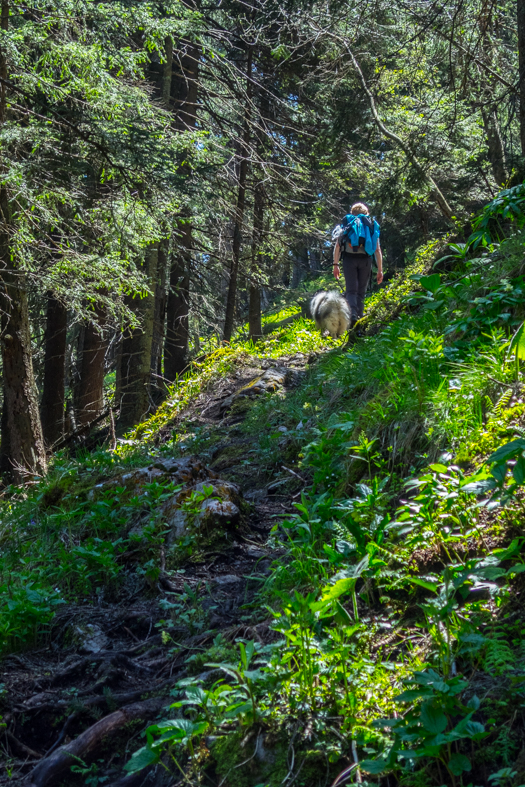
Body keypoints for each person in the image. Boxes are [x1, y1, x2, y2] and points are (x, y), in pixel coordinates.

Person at [333, 202, 383, 327]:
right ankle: (360, 318)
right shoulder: (370, 225)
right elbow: (377, 250)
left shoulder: (347, 224)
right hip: (365, 260)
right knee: (361, 291)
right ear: (366, 213)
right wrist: (380, 270)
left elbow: (338, 246)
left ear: (352, 212)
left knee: (351, 290)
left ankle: (353, 315)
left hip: (349, 259)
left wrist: (335, 265)